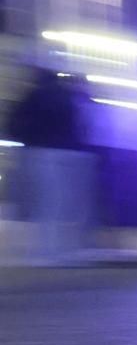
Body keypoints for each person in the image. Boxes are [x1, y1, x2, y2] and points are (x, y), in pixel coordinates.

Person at [3, 68, 96, 264]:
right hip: (66, 153)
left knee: (46, 203)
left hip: (38, 152)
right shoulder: (68, 98)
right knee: (61, 204)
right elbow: (82, 127)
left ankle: (46, 251)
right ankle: (62, 251)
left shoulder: (32, 96)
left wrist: (28, 140)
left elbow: (14, 124)